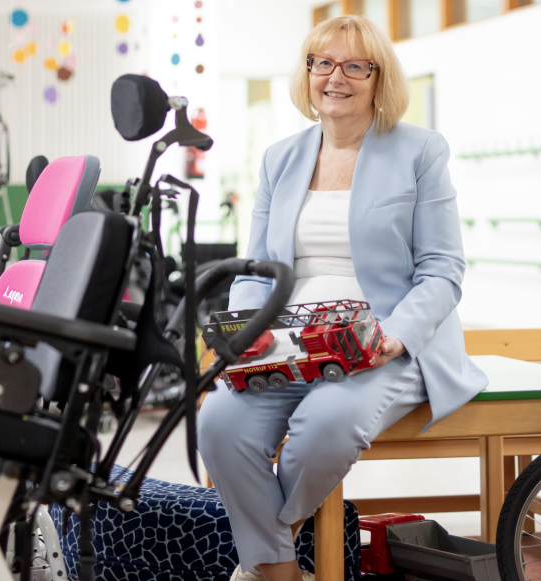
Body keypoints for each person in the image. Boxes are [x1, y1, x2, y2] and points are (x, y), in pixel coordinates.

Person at [197, 14, 488, 581]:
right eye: (322, 62)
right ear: (307, 73)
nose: (337, 77)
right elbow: (258, 269)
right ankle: (281, 571)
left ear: (379, 79)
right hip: (292, 343)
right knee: (218, 423)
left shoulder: (420, 152)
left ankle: (265, 561)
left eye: (356, 65)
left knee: (324, 425)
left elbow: (443, 269)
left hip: (382, 342)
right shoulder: (280, 159)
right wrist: (246, 329)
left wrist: (396, 336)